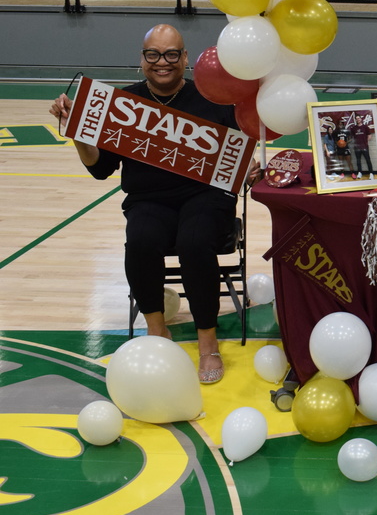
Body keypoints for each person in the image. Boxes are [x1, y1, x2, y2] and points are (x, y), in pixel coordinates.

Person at [49, 24, 260, 385]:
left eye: (171, 54)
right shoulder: (123, 104)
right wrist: (77, 133)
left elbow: (238, 156)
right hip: (149, 199)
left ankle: (207, 341)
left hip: (205, 198)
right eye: (153, 54)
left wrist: (248, 169)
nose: (162, 62)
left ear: (185, 58)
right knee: (143, 240)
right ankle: (156, 332)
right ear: (142, 59)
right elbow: (100, 169)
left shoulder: (214, 99)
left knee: (195, 242)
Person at [347, 113, 375, 178]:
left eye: (359, 118)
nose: (358, 120)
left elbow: (369, 136)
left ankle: (371, 173)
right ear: (355, 120)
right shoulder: (353, 128)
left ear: (361, 119)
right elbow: (352, 137)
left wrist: (366, 142)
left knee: (368, 160)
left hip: (365, 147)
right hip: (357, 148)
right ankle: (359, 173)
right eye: (356, 119)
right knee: (358, 161)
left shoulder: (365, 127)